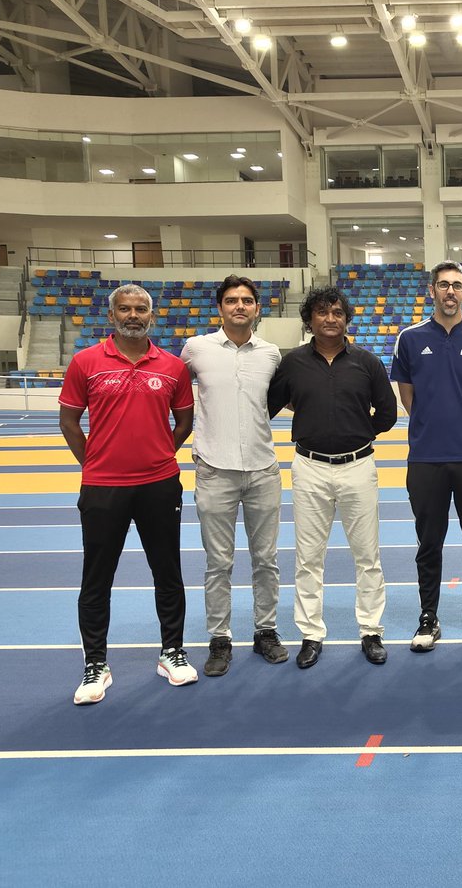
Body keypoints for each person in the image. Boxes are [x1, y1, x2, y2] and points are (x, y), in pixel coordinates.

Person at [59, 284, 196, 705]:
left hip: (159, 484)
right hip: (102, 487)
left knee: (167, 572)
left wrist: (156, 456)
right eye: (125, 309)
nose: (132, 315)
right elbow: (69, 422)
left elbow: (184, 423)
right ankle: (95, 665)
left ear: (151, 317)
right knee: (97, 578)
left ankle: (171, 652)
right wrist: (96, 462)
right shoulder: (85, 362)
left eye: (140, 309)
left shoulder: (173, 367)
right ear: (112, 314)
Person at [267, 286, 397, 668]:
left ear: (346, 319)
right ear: (309, 319)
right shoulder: (292, 364)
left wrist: (356, 432)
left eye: (337, 312)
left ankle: (371, 630)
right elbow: (267, 406)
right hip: (309, 468)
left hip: (358, 467)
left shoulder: (368, 362)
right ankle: (310, 634)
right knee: (308, 558)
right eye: (322, 312)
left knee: (367, 556)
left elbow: (387, 413)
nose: (330, 319)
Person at [180, 274, 287, 677]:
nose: (239, 306)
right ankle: (220, 639)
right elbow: (172, 392)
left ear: (258, 308)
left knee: (266, 560)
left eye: (246, 300)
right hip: (214, 471)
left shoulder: (272, 354)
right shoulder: (195, 349)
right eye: (231, 300)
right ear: (220, 308)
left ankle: (266, 631)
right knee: (218, 562)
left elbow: (273, 401)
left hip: (262, 470)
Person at [391, 261, 462, 652]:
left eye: (457, 285)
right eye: (443, 285)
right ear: (431, 290)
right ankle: (428, 617)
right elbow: (408, 397)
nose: (450, 292)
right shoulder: (409, 338)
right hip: (425, 459)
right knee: (429, 543)